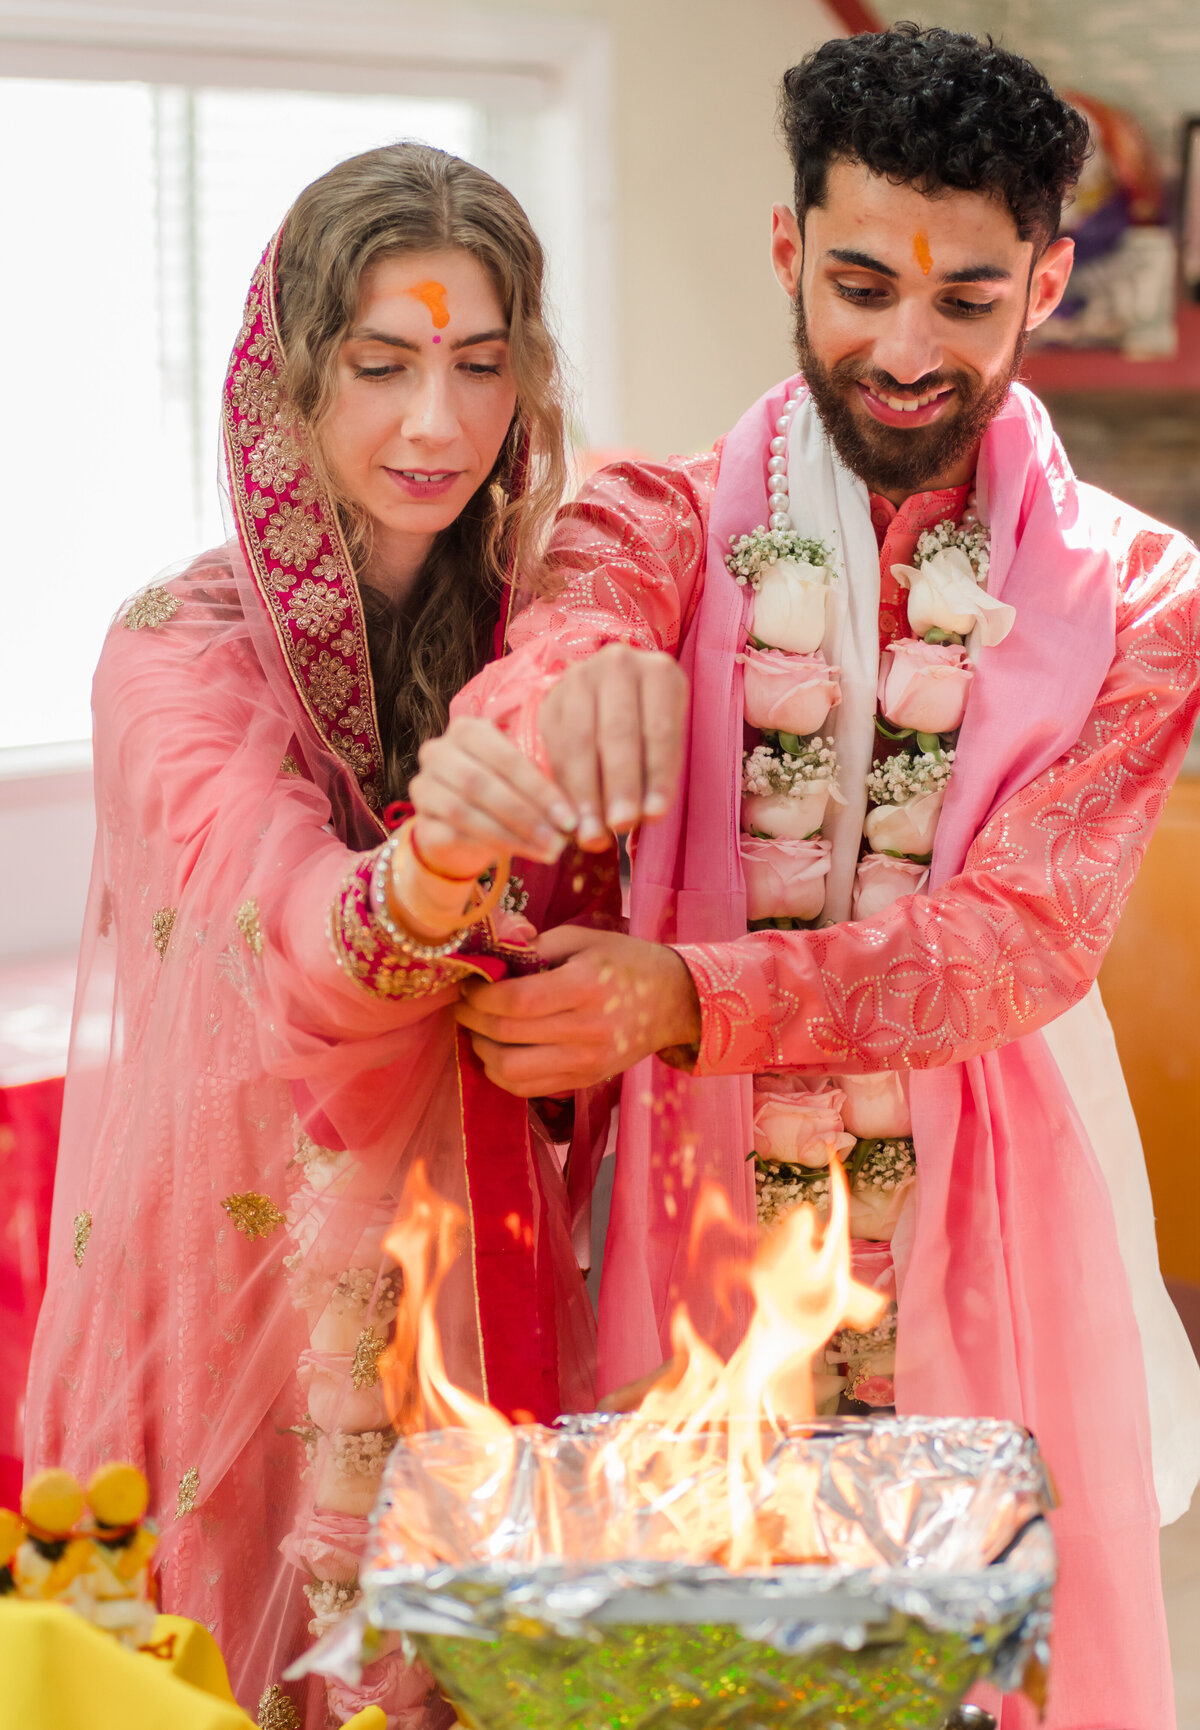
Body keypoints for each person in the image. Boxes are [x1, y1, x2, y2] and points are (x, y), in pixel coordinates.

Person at [415, 28, 1200, 1730]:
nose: (905, 350)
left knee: (985, 1660)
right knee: (713, 1652)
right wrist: (541, 717)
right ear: (788, 252)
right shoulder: (664, 521)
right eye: (858, 282)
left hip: (996, 1201)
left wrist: (687, 993)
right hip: (704, 1199)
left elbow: (1016, 941)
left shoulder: (1144, 598)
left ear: (1050, 281)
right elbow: (560, 647)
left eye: (968, 300)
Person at [23, 142, 619, 1727]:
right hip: (250, 1260)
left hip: (493, 1259)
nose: (437, 423)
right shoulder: (175, 656)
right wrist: (437, 862)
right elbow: (293, 932)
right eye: (382, 365)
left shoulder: (553, 627)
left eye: (481, 364)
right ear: (289, 376)